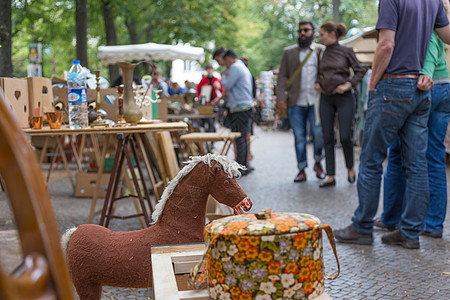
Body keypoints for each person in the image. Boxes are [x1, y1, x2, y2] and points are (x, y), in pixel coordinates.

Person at [334, 0, 450, 249]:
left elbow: (386, 44)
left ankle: (363, 226)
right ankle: (409, 232)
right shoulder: (433, 1)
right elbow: (447, 36)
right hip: (421, 91)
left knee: (371, 160)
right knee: (417, 165)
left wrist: (373, 82)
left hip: (393, 85)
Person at [379, 30, 450, 239]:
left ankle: (392, 218)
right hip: (444, 83)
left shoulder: (418, 9)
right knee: (435, 156)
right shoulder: (439, 15)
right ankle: (433, 224)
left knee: (398, 154)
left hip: (422, 83)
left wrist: (425, 71)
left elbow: (426, 42)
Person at [315, 21, 365, 188]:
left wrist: (349, 84)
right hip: (326, 98)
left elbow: (359, 71)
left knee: (344, 136)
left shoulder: (346, 50)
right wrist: (317, 83)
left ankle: (350, 168)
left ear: (332, 34)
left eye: (322, 34)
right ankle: (330, 175)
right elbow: (318, 73)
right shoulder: (320, 53)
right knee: (327, 136)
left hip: (344, 97)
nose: (320, 38)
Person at [276, 20, 326, 183]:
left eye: (305, 30)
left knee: (318, 134)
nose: (302, 34)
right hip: (295, 101)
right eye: (300, 31)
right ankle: (301, 169)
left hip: (316, 101)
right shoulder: (289, 52)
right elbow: (282, 75)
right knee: (299, 137)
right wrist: (281, 98)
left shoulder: (321, 50)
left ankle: (318, 163)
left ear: (313, 32)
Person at [219, 49, 253, 175]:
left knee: (240, 137)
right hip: (244, 106)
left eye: (224, 61)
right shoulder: (242, 66)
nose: (224, 65)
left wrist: (223, 75)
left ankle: (241, 167)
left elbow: (227, 85)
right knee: (242, 136)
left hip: (240, 107)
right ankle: (243, 165)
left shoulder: (235, 67)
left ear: (229, 58)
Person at [197, 63, 224, 133]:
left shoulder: (216, 80)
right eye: (208, 69)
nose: (209, 71)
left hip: (215, 102)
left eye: (210, 69)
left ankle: (212, 134)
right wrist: (199, 96)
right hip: (206, 103)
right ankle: (210, 133)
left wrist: (219, 87)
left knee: (212, 120)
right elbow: (198, 90)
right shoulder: (203, 80)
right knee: (208, 119)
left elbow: (222, 91)